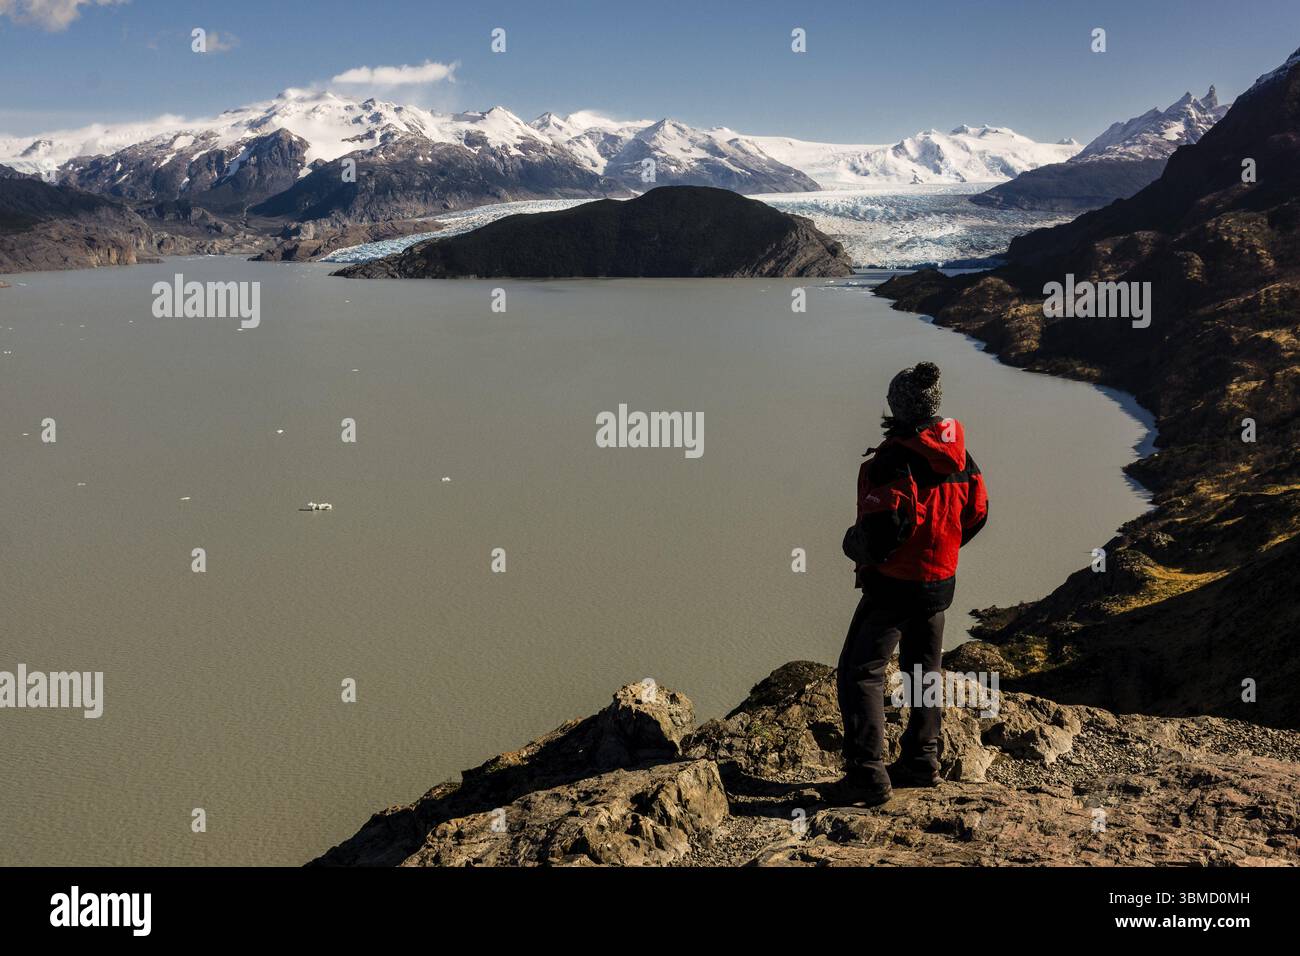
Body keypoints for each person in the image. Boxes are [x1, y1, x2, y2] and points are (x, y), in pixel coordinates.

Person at [822, 361, 989, 807]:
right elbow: (976, 512)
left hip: (895, 585)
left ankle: (867, 775)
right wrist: (944, 548)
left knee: (861, 673)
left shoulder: (892, 459)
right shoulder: (959, 454)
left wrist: (850, 544)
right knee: (924, 669)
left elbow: (879, 535)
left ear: (896, 406)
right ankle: (922, 760)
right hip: (939, 582)